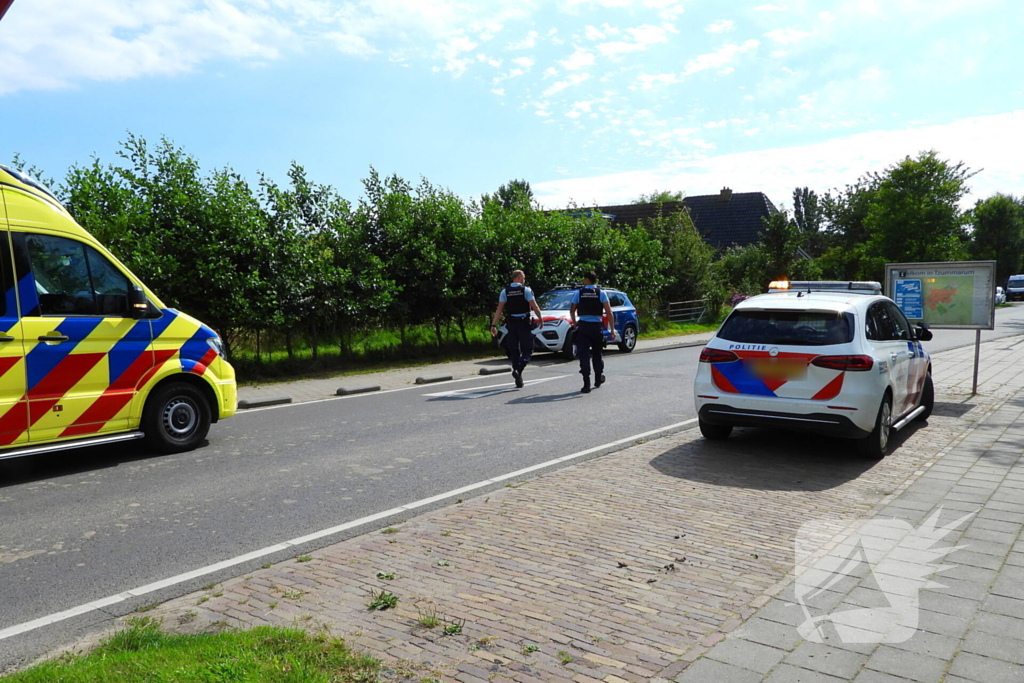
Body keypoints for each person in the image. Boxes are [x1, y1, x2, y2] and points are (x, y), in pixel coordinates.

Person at [491, 269, 544, 388]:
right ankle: (519, 370)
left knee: (514, 350)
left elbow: (499, 310)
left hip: (511, 323)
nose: (524, 279)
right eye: (523, 277)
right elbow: (534, 306)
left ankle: (518, 377)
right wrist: (540, 319)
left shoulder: (505, 291)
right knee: (528, 349)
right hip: (523, 323)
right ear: (519, 277)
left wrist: (493, 325)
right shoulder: (526, 290)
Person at [570, 271, 615, 394]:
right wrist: (611, 330)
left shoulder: (579, 293)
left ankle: (586, 384)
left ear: (587, 280)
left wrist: (575, 323)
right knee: (597, 354)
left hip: (583, 327)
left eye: (584, 279)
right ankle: (598, 378)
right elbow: (609, 312)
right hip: (596, 328)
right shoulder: (601, 293)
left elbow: (572, 309)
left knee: (584, 355)